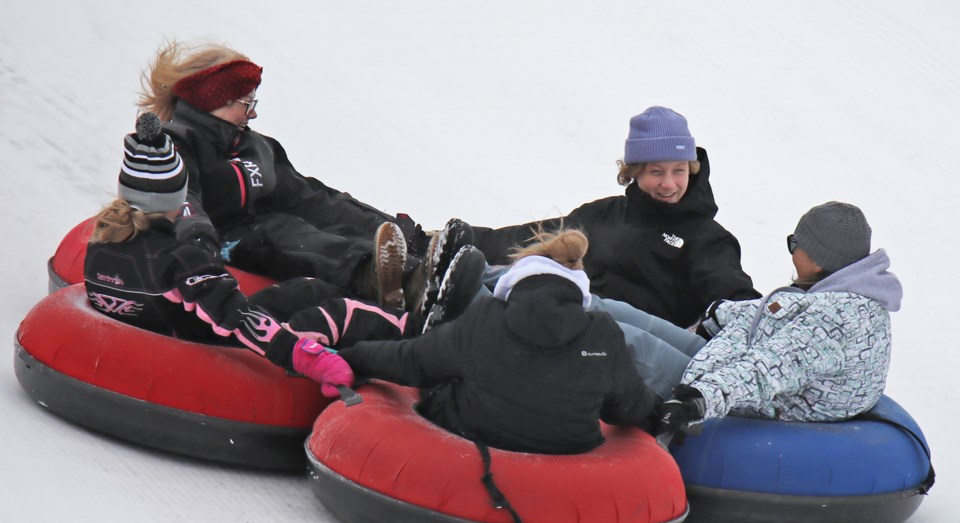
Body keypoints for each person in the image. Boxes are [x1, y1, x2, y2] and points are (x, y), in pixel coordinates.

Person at [84, 112, 471, 397]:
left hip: (167, 330)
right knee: (336, 311)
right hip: (209, 347)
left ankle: (408, 313)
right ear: (174, 196)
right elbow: (240, 319)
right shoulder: (181, 257)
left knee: (306, 290)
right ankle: (423, 337)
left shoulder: (103, 243)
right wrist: (308, 357)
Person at [137, 40, 471, 314]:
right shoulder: (177, 143)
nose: (253, 111)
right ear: (215, 101)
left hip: (268, 229)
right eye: (246, 101)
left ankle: (428, 261)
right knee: (295, 239)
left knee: (330, 228)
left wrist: (399, 231)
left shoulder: (256, 147)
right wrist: (199, 245)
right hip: (224, 243)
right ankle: (407, 286)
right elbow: (181, 199)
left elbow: (310, 199)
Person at [308, 228, 660, 455]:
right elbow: (629, 407)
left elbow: (410, 362)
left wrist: (350, 357)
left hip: (474, 436)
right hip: (565, 453)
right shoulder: (603, 334)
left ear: (518, 281)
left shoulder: (487, 316)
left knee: (442, 376)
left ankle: (435, 319)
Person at [469, 106, 760, 328]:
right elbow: (535, 238)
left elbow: (734, 299)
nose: (669, 184)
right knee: (507, 280)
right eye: (656, 172)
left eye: (679, 170)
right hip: (562, 320)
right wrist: (466, 239)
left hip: (630, 351)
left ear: (691, 169)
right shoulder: (606, 214)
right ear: (634, 173)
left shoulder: (707, 239)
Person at [657, 201, 903, 434]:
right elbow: (776, 313)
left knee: (633, 344)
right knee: (625, 317)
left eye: (795, 243)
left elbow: (766, 371)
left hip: (715, 387)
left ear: (818, 261)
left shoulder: (834, 321)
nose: (792, 251)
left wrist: (696, 400)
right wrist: (721, 313)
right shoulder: (846, 297)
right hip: (722, 361)